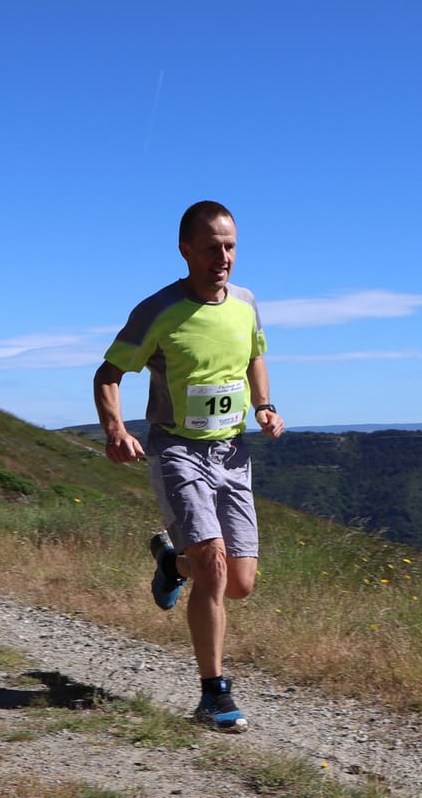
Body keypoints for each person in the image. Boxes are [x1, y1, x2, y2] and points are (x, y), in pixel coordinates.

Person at [94, 200, 285, 732]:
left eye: (230, 247)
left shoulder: (245, 304)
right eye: (211, 248)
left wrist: (264, 405)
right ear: (185, 251)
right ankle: (213, 693)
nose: (223, 258)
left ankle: (171, 563)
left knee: (239, 582)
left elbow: (255, 355)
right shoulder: (158, 310)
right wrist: (116, 430)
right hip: (177, 449)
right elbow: (108, 375)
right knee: (215, 568)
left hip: (232, 452)